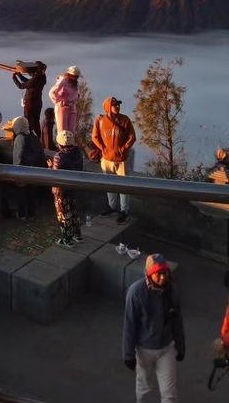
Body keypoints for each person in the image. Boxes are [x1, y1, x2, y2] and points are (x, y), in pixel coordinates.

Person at [123, 253, 185, 403]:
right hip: (144, 350)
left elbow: (177, 320)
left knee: (169, 393)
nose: (163, 278)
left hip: (167, 348)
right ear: (150, 274)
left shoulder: (172, 291)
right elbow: (129, 325)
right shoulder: (136, 293)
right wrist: (128, 355)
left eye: (165, 273)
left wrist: (181, 346)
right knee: (144, 387)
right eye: (159, 274)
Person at [91, 96, 136, 223]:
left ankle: (124, 210)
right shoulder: (100, 120)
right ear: (108, 107)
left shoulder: (125, 120)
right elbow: (95, 137)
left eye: (118, 104)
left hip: (122, 160)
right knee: (109, 185)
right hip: (106, 160)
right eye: (114, 105)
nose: (117, 106)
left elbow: (132, 137)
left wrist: (123, 149)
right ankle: (112, 207)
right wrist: (102, 148)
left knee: (124, 186)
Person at [5, 116, 46, 221]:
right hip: (34, 171)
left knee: (22, 195)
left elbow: (17, 157)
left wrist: (16, 174)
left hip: (23, 172)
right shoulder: (33, 135)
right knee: (31, 194)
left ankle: (22, 215)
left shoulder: (20, 138)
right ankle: (32, 215)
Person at [50, 130, 84, 247]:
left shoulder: (58, 157)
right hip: (74, 187)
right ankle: (77, 235)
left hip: (62, 191)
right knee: (74, 212)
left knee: (63, 214)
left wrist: (50, 166)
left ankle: (67, 240)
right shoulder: (78, 153)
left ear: (59, 144)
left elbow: (55, 175)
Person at [12, 61, 47, 138]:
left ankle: (29, 139)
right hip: (38, 102)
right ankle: (38, 139)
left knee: (28, 122)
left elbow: (21, 86)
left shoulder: (35, 79)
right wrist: (20, 75)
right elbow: (28, 82)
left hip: (30, 103)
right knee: (36, 122)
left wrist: (14, 78)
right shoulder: (42, 77)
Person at [49, 65, 81, 134]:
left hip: (72, 108)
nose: (76, 78)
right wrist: (60, 102)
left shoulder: (74, 84)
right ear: (70, 75)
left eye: (77, 77)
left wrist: (77, 97)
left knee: (71, 132)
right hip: (62, 109)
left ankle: (70, 144)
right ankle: (62, 145)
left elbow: (74, 94)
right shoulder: (63, 82)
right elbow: (52, 93)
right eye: (75, 76)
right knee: (63, 132)